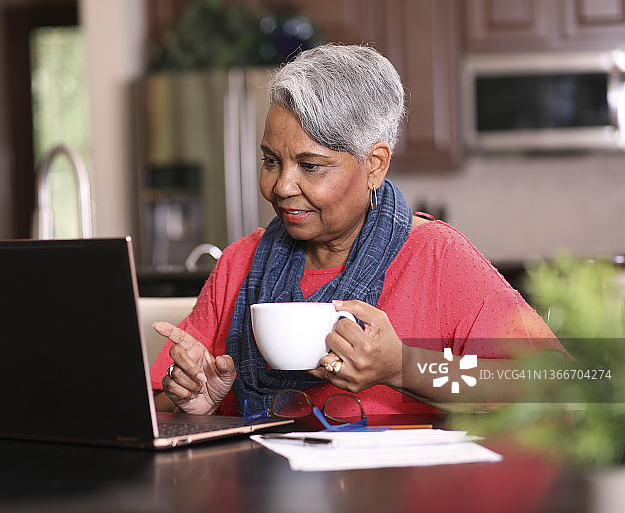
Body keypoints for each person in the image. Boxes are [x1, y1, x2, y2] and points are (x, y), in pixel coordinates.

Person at [150, 44, 558, 420]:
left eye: (310, 166)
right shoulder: (240, 263)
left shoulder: (436, 257)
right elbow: (151, 409)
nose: (282, 186)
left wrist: (402, 367)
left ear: (375, 165)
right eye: (271, 161)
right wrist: (194, 403)